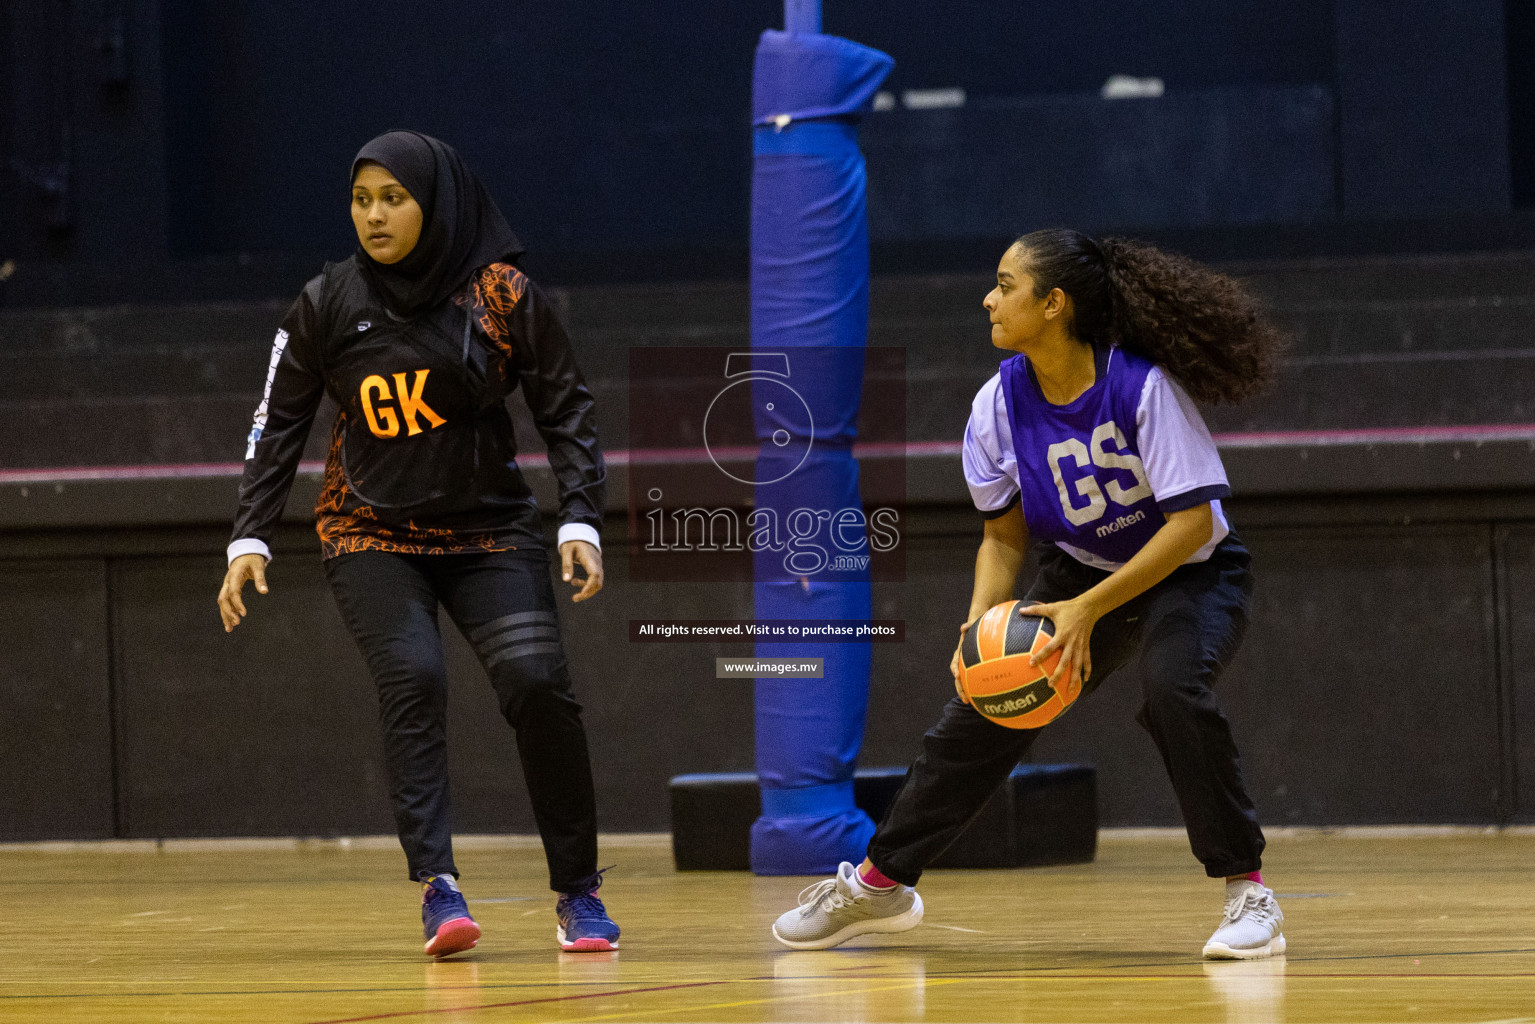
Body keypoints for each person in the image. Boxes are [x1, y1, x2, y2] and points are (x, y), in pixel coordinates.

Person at [771, 228, 1287, 959]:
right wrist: (979, 621)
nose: (988, 297)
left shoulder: (1141, 386)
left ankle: (1248, 893)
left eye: (1005, 285)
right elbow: (1002, 537)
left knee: (1173, 689)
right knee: (981, 712)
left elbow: (1190, 522)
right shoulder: (997, 405)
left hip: (1191, 571)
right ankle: (880, 886)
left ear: (1052, 304)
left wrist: (1090, 609)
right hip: (1076, 572)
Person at [217, 130, 619, 957]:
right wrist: (248, 538)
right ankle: (439, 889)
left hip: (490, 533)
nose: (373, 215)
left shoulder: (501, 295)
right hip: (369, 533)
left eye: (392, 198)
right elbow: (275, 427)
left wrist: (580, 516)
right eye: (361, 200)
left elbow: (566, 409)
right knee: (414, 675)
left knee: (537, 685)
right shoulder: (325, 303)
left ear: (435, 202)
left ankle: (578, 893)